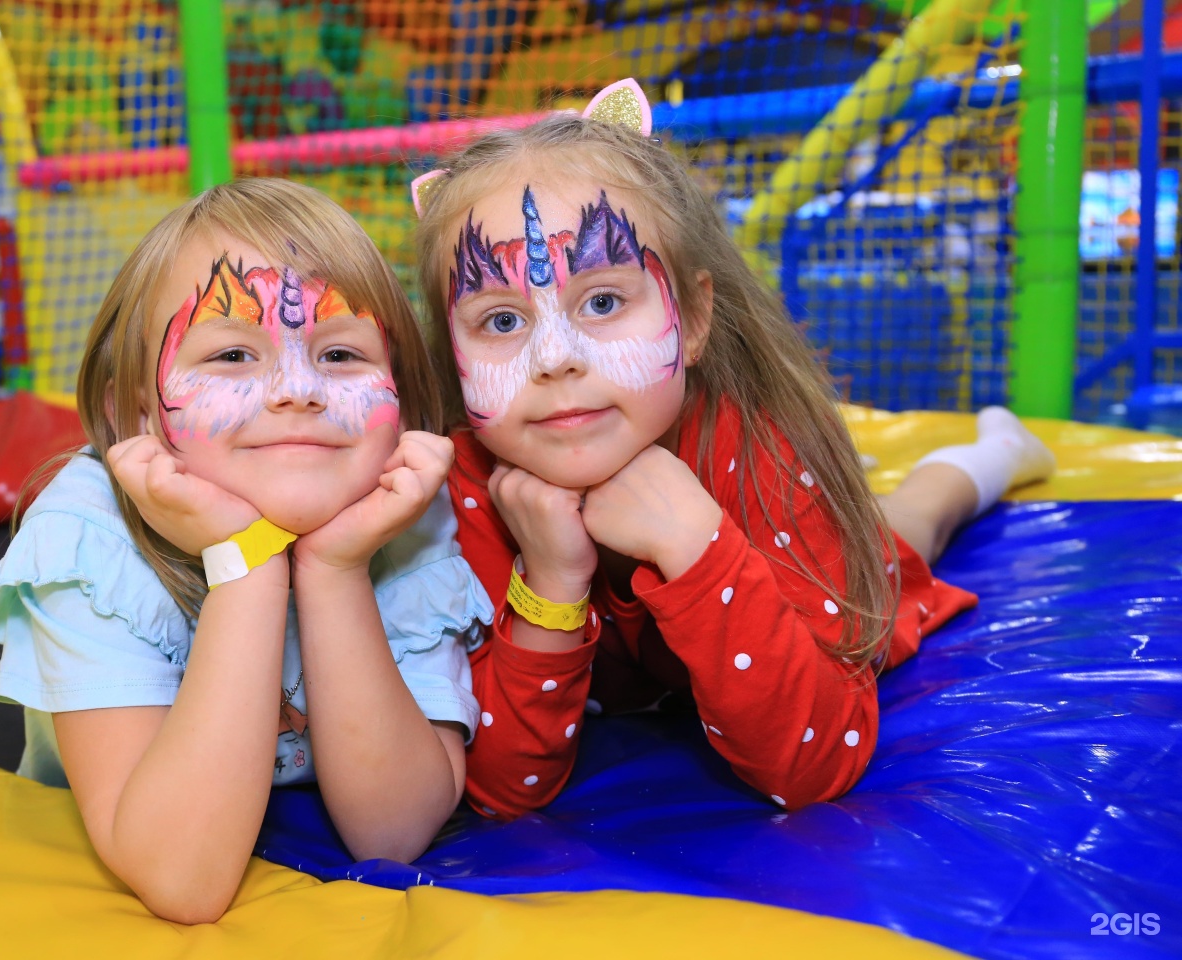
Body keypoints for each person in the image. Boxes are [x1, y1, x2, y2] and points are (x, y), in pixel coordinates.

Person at [407, 79, 1056, 820]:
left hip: (793, 565)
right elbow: (501, 790)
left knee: (912, 525)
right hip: (637, 662)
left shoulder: (756, 450)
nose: (554, 358)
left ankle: (994, 453)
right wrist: (549, 584)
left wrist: (695, 543)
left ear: (693, 318)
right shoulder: (464, 489)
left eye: (603, 301)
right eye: (501, 320)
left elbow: (815, 764)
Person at [0, 179, 491, 923]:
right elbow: (183, 878)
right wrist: (246, 563)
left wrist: (335, 568)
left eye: (341, 353)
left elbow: (393, 833)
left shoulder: (404, 512)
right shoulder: (90, 535)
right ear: (134, 414)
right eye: (234, 353)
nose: (297, 389)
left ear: (400, 400)